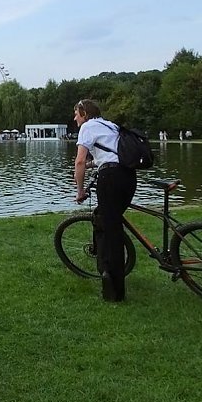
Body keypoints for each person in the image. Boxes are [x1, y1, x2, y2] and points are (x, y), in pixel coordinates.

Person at [73, 99, 137, 302]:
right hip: (129, 176)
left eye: (76, 113)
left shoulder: (87, 127)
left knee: (112, 232)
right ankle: (104, 267)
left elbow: (80, 160)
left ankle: (114, 291)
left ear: (84, 113)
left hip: (111, 179)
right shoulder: (110, 125)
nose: (74, 118)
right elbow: (109, 154)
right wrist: (94, 165)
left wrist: (80, 190)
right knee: (108, 220)